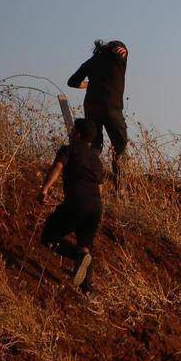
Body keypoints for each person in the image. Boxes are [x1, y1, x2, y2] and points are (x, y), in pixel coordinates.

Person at [37, 118, 105, 291]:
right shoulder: (97, 161)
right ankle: (86, 290)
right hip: (96, 207)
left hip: (77, 202)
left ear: (77, 134)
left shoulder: (68, 149)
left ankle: (77, 257)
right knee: (85, 248)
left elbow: (58, 167)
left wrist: (45, 189)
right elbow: (100, 188)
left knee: (49, 235)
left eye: (73, 130)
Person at [67, 39, 129, 188]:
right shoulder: (117, 58)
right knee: (120, 147)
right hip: (111, 107)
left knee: (94, 145)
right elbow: (122, 51)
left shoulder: (92, 61)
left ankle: (88, 180)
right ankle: (119, 189)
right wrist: (122, 51)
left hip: (91, 106)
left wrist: (92, 84)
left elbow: (72, 82)